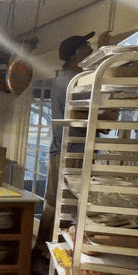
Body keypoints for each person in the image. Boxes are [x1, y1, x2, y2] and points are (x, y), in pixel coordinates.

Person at [34, 31, 108, 254]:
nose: (91, 49)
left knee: (54, 203)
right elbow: (84, 118)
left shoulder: (62, 79)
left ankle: (41, 250)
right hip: (72, 153)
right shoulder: (74, 82)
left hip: (61, 152)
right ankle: (53, 252)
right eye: (88, 46)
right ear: (78, 53)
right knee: (65, 206)